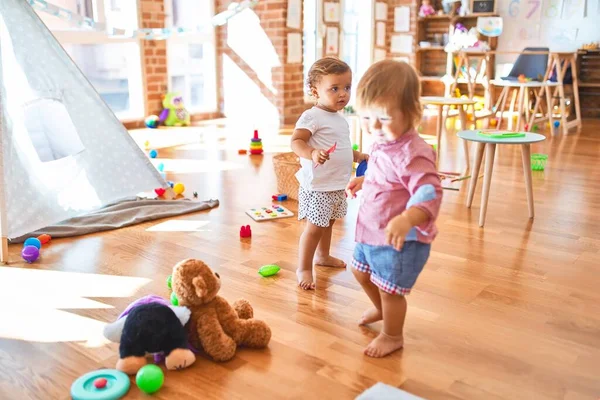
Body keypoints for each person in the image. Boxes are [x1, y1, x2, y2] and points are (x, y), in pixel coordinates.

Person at [345, 60, 443, 357]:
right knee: (360, 271)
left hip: (399, 240)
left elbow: (429, 191)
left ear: (412, 113)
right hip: (372, 233)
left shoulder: (413, 154)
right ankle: (380, 309)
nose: (374, 127)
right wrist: (365, 180)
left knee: (391, 290)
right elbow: (384, 172)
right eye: (366, 117)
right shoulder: (381, 140)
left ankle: (392, 335)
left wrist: (407, 218)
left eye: (384, 118)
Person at [291, 57, 368, 290]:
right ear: (315, 91)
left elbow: (342, 146)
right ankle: (304, 266)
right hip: (319, 185)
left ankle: (322, 256)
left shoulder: (340, 118)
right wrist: (312, 152)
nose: (342, 94)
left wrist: (358, 157)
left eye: (346, 87)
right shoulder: (311, 116)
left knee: (329, 222)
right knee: (314, 227)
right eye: (334, 88)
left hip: (337, 183)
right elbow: (296, 141)